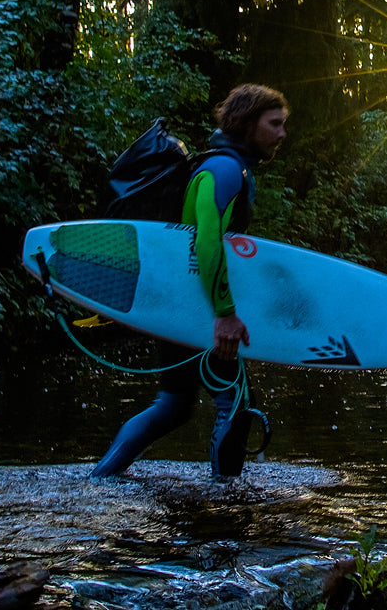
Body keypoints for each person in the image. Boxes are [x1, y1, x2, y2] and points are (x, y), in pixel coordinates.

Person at [91, 84, 289, 478]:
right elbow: (206, 240)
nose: (282, 134)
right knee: (235, 401)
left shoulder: (222, 164)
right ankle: (226, 502)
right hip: (199, 311)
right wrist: (225, 314)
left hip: (178, 306)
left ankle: (99, 480)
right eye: (275, 124)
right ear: (249, 123)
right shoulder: (224, 169)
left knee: (175, 405)